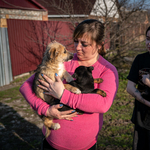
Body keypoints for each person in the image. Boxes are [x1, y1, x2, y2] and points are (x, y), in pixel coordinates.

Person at [20, 19, 118, 150]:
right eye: (76, 41)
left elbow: (103, 104)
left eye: (84, 44)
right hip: (51, 143)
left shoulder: (107, 70)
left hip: (85, 146)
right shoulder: (64, 60)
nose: (77, 47)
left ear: (99, 45)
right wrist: (45, 109)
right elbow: (25, 86)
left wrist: (63, 95)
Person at [127, 26, 150, 150]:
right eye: (147, 38)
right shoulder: (140, 59)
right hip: (141, 116)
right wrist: (146, 102)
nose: (149, 43)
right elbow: (130, 87)